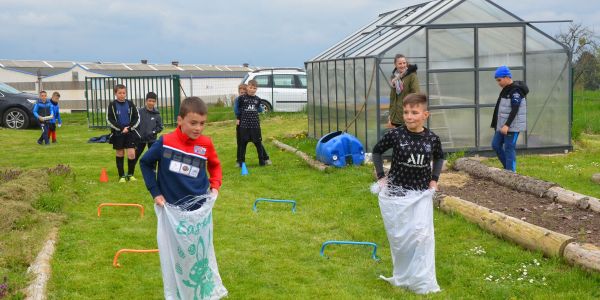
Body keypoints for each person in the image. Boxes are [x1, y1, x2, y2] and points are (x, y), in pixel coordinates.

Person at [371, 93, 444, 294]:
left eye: (414, 112)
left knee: (422, 236)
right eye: (406, 112)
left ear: (425, 114)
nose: (409, 116)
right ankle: (403, 275)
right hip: (398, 196)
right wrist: (380, 175)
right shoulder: (396, 135)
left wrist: (434, 179)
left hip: (420, 194)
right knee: (402, 238)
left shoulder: (432, 139)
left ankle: (422, 281)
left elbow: (439, 158)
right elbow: (376, 151)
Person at [139, 96, 222, 210]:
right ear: (180, 120)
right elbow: (145, 163)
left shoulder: (206, 143)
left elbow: (215, 165)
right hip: (170, 205)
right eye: (193, 123)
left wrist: (215, 185)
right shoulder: (165, 142)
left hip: (200, 205)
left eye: (202, 123)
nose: (198, 128)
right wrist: (155, 192)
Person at [491, 65, 528, 172]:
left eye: (499, 80)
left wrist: (507, 125)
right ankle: (507, 169)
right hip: (502, 126)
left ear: (507, 77)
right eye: (497, 80)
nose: (498, 83)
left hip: (512, 126)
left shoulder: (516, 91)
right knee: (496, 145)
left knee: (509, 147)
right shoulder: (505, 89)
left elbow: (515, 109)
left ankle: (511, 172)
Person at [106, 84, 140, 182]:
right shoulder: (112, 105)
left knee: (132, 154)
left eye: (124, 93)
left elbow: (137, 118)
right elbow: (109, 119)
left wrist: (129, 128)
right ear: (115, 93)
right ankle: (121, 176)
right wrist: (121, 128)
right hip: (118, 133)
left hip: (130, 132)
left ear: (126, 93)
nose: (122, 95)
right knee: (120, 153)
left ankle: (130, 174)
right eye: (119, 93)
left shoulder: (130, 103)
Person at [236, 79, 271, 166]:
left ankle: (262, 161)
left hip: (255, 126)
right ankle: (241, 162)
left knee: (258, 144)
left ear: (256, 89)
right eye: (250, 87)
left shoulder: (258, 100)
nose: (252, 90)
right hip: (244, 126)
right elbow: (238, 110)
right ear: (247, 87)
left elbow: (259, 109)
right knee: (243, 144)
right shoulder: (241, 99)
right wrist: (238, 118)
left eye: (254, 88)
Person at [131, 92, 163, 177]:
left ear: (155, 102)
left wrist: (152, 132)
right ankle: (131, 173)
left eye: (153, 101)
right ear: (146, 101)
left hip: (152, 139)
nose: (151, 103)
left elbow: (160, 127)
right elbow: (134, 124)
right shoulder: (139, 112)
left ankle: (153, 171)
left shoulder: (157, 114)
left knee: (153, 155)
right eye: (149, 101)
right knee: (135, 155)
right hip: (140, 139)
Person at [388, 54, 420, 128]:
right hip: (395, 116)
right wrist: (390, 114)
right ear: (395, 65)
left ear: (407, 63)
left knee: (407, 138)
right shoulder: (394, 77)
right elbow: (392, 97)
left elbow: (416, 94)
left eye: (404, 63)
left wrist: (412, 113)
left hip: (407, 115)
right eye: (400, 63)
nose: (402, 65)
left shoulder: (412, 76)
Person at [233, 84, 247, 167]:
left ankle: (265, 158)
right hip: (240, 123)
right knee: (240, 143)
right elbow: (236, 111)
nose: (243, 94)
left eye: (244, 92)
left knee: (257, 141)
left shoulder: (250, 100)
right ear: (239, 92)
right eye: (241, 92)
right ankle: (239, 161)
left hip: (250, 124)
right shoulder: (238, 100)